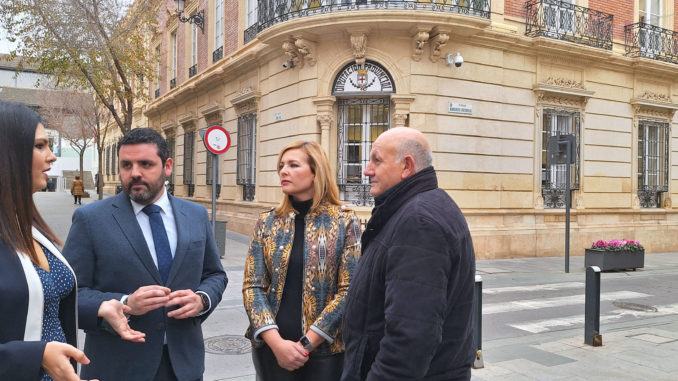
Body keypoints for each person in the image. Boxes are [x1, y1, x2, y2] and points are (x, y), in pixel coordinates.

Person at [62, 128, 228, 381]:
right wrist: (125, 303)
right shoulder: (91, 219)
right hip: (118, 367)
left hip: (184, 365)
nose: (135, 173)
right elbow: (69, 295)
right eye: (126, 165)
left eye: (146, 164)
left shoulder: (195, 215)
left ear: (167, 166)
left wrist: (202, 300)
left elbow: (214, 274)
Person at [0, 101, 145, 381]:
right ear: (8, 154)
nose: (52, 157)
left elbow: (44, 301)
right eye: (40, 146)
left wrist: (100, 308)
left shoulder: (27, 227)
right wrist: (36, 356)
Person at [341, 127, 476, 381]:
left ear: (407, 166)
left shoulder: (418, 222)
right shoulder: (418, 208)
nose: (367, 170)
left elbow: (410, 338)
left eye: (376, 160)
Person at [243, 141, 362, 381]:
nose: (283, 171)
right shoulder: (268, 222)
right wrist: (276, 344)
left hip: (325, 353)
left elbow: (349, 291)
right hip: (272, 349)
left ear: (316, 172)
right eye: (281, 165)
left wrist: (307, 343)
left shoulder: (344, 222)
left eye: (293, 165)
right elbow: (252, 286)